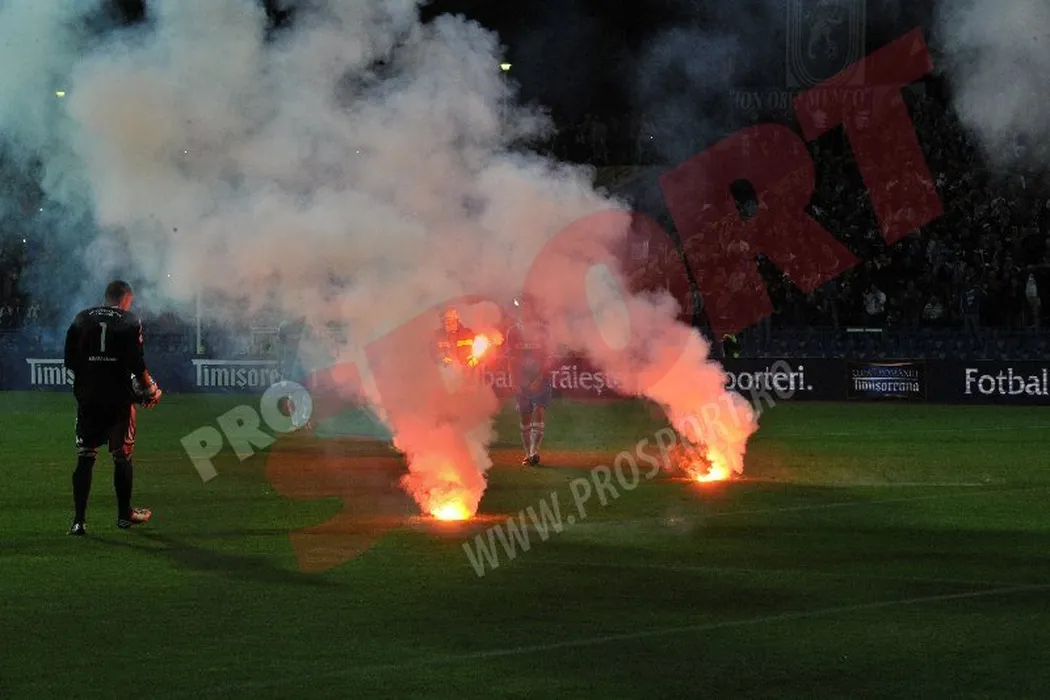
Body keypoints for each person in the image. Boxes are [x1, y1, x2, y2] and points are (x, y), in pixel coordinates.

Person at [63, 280, 162, 536]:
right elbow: (136, 362)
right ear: (125, 298)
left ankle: (79, 521)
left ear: (106, 296)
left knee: (86, 455)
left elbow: (69, 360)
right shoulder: (129, 320)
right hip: (119, 399)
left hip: (89, 397)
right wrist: (149, 389)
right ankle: (124, 515)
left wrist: (90, 376)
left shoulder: (81, 318)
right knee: (122, 455)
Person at [504, 295, 553, 466]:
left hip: (540, 377)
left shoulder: (542, 330)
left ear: (533, 310)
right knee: (525, 418)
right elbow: (511, 358)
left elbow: (548, 357)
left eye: (527, 307)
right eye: (522, 307)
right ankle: (527, 453)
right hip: (522, 379)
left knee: (539, 411)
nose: (524, 310)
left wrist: (540, 377)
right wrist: (514, 380)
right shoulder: (513, 331)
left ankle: (534, 452)